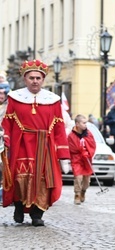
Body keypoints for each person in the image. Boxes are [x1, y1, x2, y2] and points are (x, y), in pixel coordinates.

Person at [1, 59, 70, 226]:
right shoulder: (15, 98)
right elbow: (7, 123)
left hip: (44, 147)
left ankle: (37, 213)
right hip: (21, 145)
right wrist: (6, 141)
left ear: (43, 80)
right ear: (25, 79)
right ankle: (19, 206)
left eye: (38, 78)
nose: (35, 81)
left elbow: (59, 128)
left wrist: (63, 155)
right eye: (31, 78)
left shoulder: (52, 100)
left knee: (44, 180)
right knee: (19, 178)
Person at [67, 114, 96, 205]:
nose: (85, 125)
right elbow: (71, 147)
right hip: (77, 159)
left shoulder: (88, 134)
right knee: (78, 177)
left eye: (86, 123)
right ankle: (77, 194)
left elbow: (92, 145)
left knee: (87, 180)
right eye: (83, 123)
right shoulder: (71, 135)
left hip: (86, 159)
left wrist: (88, 152)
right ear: (77, 124)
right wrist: (80, 150)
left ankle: (83, 191)